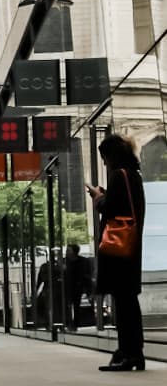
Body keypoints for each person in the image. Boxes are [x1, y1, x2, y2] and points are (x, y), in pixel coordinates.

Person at [88, 133, 146, 372]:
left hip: (119, 250)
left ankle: (128, 354)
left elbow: (111, 209)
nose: (104, 163)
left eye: (104, 157)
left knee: (123, 304)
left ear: (112, 156)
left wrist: (99, 198)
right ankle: (132, 353)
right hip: (131, 249)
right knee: (128, 302)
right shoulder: (133, 175)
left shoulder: (118, 176)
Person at [65, 244, 93, 330]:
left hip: (78, 286)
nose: (66, 252)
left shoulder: (83, 261)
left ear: (74, 252)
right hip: (68, 286)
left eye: (68, 250)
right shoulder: (65, 262)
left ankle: (75, 323)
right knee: (68, 305)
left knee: (76, 305)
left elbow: (87, 274)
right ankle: (68, 323)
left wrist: (88, 288)